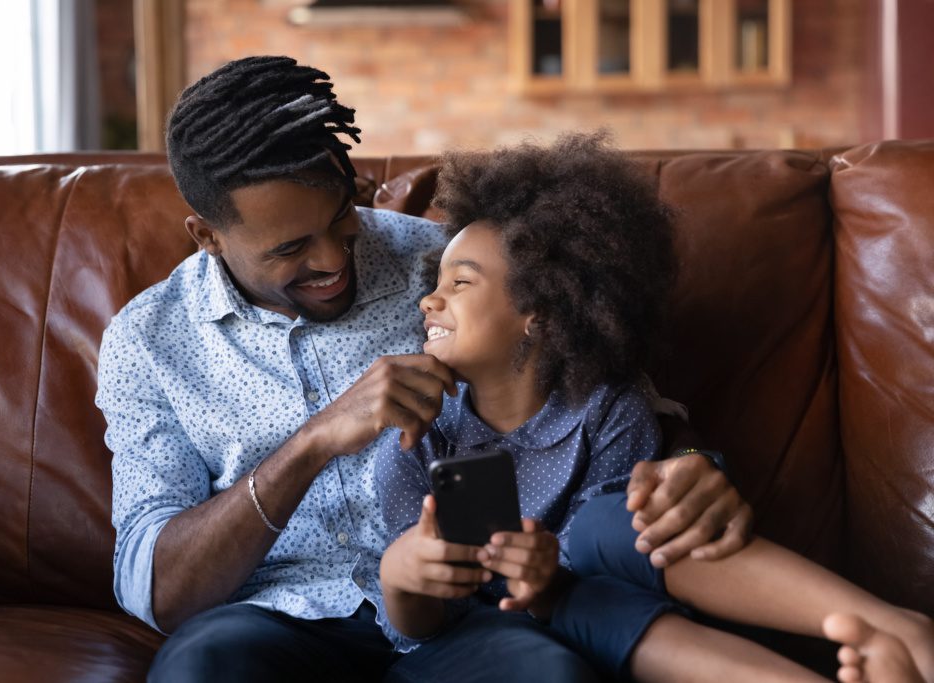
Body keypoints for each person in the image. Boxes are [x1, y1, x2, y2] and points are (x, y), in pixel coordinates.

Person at [96, 55, 752, 682]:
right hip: (277, 622)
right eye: (292, 248)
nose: (332, 260)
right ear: (207, 236)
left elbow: (594, 376)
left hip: (462, 617)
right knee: (200, 669)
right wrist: (316, 438)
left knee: (551, 671)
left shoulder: (433, 262)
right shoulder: (149, 342)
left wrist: (691, 462)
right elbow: (157, 587)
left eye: (340, 216)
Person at [375, 132, 934, 682]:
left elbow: (612, 555)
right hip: (486, 635)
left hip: (599, 601)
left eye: (460, 283)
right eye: (437, 281)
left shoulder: (608, 410)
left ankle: (890, 629)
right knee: (566, 615)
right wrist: (399, 575)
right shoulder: (418, 428)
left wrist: (549, 581)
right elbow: (417, 625)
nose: (429, 299)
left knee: (611, 533)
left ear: (540, 312)